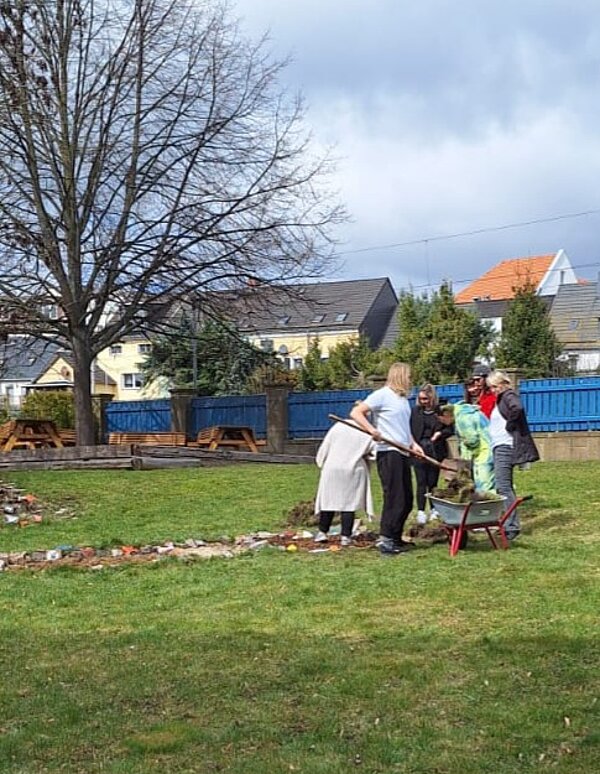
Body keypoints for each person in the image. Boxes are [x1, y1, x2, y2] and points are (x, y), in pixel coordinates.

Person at [350, 362, 424, 555]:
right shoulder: (382, 394)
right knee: (394, 497)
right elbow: (356, 412)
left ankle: (396, 537)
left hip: (403, 452)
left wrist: (413, 444)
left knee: (407, 499)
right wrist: (372, 430)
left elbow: (404, 428)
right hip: (388, 452)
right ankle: (386, 539)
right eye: (408, 376)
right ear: (400, 376)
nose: (410, 380)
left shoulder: (402, 399)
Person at [487, 370, 539, 540]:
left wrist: (509, 426)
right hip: (499, 446)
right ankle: (508, 523)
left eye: (495, 386)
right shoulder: (502, 398)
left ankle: (511, 526)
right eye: (491, 387)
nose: (493, 390)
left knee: (503, 486)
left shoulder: (509, 395)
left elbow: (518, 408)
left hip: (505, 447)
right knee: (502, 486)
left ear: (504, 383)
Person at [313, 418, 375, 547]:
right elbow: (375, 452)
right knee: (349, 503)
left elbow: (325, 447)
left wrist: (321, 462)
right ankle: (345, 536)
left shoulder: (338, 426)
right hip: (353, 469)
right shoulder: (367, 430)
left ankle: (322, 532)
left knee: (329, 501)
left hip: (332, 467)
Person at [410, 383, 453, 525]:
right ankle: (421, 511)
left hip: (435, 449)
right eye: (421, 399)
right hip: (419, 449)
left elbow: (450, 429)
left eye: (426, 399)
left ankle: (434, 509)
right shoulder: (415, 412)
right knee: (421, 481)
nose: (423, 402)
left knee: (432, 481)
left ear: (432, 398)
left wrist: (439, 433)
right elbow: (409, 430)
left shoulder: (439, 411)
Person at [438, 401, 495, 492]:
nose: (442, 422)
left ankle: (486, 506)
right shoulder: (466, 412)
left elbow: (472, 440)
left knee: (484, 486)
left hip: (483, 453)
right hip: (490, 449)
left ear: (445, 414)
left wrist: (464, 450)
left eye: (440, 419)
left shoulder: (462, 418)